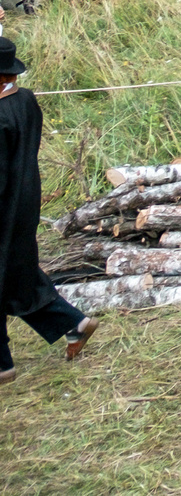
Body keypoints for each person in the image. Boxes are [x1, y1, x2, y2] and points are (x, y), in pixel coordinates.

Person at [0, 38, 102, 382]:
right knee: (16, 275)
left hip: (4, 206)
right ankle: (73, 323)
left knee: (9, 276)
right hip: (25, 200)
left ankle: (2, 365)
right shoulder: (25, 99)